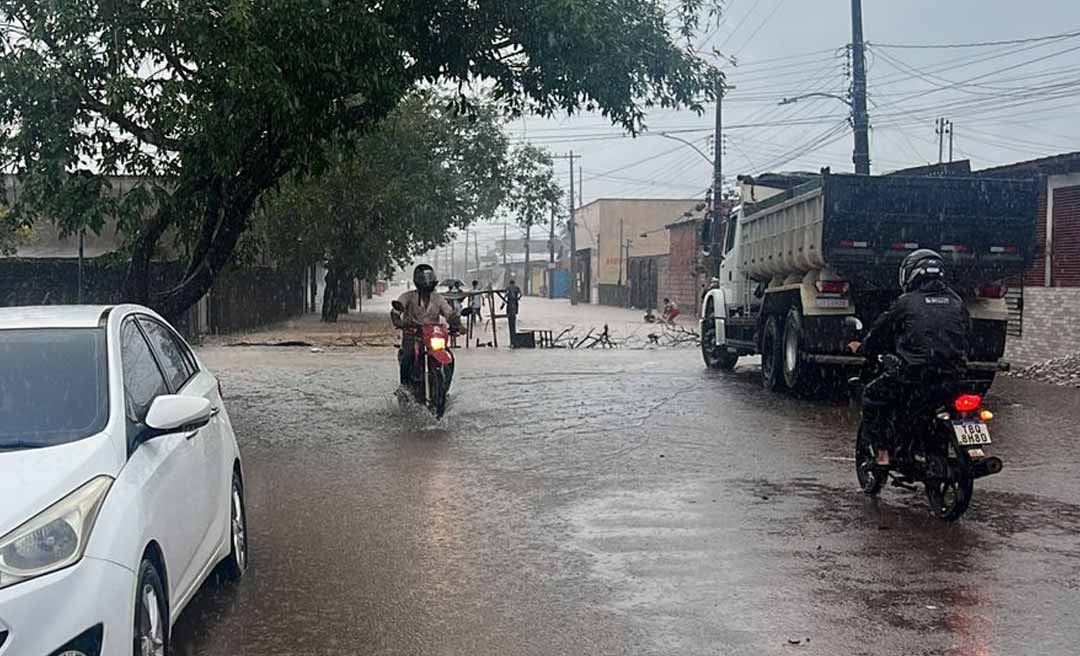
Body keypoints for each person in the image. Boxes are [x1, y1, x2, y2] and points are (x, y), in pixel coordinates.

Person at [850, 250, 971, 466]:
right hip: (954, 376)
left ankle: (882, 453)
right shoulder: (957, 302)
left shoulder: (905, 302)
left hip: (915, 375)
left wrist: (863, 348)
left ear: (910, 274)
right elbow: (966, 333)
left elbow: (880, 332)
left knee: (872, 396)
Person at [391, 264, 460, 391]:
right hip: (412, 336)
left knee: (449, 357)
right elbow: (396, 311)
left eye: (428, 278)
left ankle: (445, 388)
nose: (426, 282)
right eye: (423, 278)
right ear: (417, 281)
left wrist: (457, 323)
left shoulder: (438, 299)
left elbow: (449, 313)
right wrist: (399, 322)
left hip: (433, 336)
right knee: (407, 356)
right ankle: (404, 388)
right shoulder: (408, 297)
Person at [503, 279, 522, 345]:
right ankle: (513, 338)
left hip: (510, 303)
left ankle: (513, 340)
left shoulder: (508, 288)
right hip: (515, 303)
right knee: (513, 316)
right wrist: (518, 298)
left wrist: (503, 304)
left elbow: (505, 295)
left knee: (510, 317)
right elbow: (521, 294)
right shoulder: (517, 288)